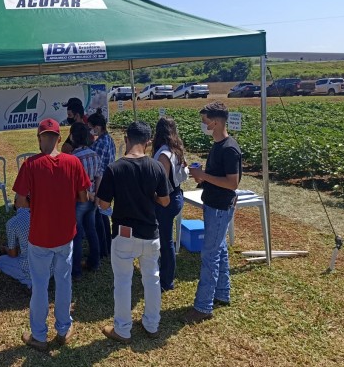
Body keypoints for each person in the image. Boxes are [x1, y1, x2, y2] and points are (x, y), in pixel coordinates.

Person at [13, 118, 90, 351]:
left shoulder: (30, 164)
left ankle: (39, 334)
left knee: (40, 285)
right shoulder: (73, 162)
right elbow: (84, 197)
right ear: (59, 138)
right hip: (65, 234)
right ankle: (64, 329)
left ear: (39, 139)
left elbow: (19, 202)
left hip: (40, 236)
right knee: (64, 282)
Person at [96, 121, 170, 342]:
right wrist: (149, 198)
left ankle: (123, 329)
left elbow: (103, 205)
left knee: (123, 282)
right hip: (150, 233)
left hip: (124, 234)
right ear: (148, 142)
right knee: (152, 279)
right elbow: (165, 201)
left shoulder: (114, 168)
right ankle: (152, 324)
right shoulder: (156, 166)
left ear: (126, 139)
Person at [183, 101, 242, 324]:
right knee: (220, 249)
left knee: (209, 254)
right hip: (214, 204)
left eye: (205, 120)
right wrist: (201, 175)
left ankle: (203, 306)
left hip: (219, 207)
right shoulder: (219, 145)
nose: (203, 124)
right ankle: (222, 292)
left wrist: (204, 176)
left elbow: (232, 183)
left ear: (216, 122)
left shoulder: (229, 148)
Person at [152, 116, 189, 292]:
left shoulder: (163, 155)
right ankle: (165, 275)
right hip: (177, 194)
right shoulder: (176, 150)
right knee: (166, 239)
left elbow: (162, 184)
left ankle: (166, 280)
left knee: (166, 241)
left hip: (167, 199)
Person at [69, 122, 101, 279]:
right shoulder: (94, 154)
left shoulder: (73, 158)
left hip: (79, 199)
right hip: (93, 198)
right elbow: (99, 176)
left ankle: (76, 271)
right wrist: (96, 195)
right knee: (92, 230)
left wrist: (89, 194)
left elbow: (75, 185)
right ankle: (95, 262)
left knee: (77, 235)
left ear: (72, 137)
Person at [88, 109, 115, 258]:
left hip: (100, 182)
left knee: (100, 218)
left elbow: (94, 163)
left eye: (90, 127)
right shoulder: (109, 139)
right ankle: (107, 247)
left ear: (97, 127)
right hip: (108, 180)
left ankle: (103, 249)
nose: (90, 131)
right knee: (103, 216)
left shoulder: (99, 144)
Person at [0, 205, 33, 289]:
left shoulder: (13, 222)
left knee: (0, 261)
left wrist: (5, 249)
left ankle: (29, 281)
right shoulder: (43, 214)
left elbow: (13, 254)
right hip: (50, 263)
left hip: (32, 267)